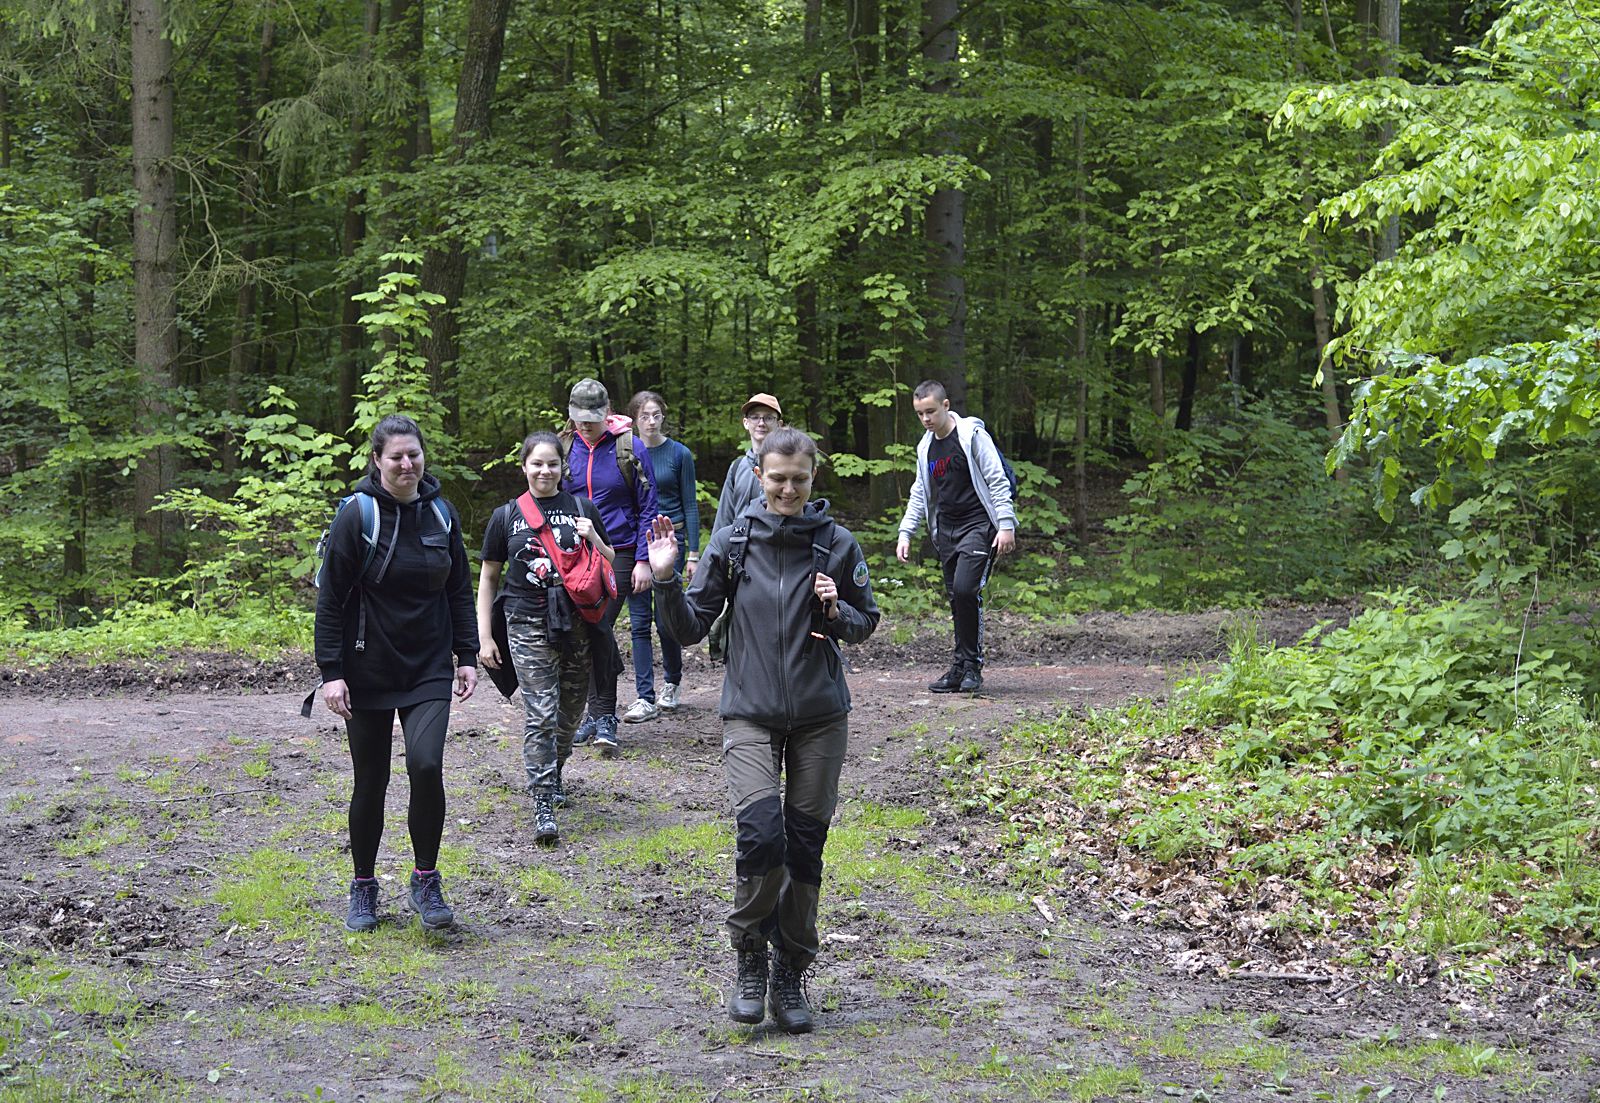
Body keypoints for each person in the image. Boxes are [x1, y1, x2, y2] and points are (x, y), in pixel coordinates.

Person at [647, 427, 880, 1034]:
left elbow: (866, 623)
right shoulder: (733, 541)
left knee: (805, 846)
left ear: (812, 478)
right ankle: (750, 952)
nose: (788, 488)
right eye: (777, 478)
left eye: (798, 479)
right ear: (758, 474)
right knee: (761, 835)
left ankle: (791, 970)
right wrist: (668, 578)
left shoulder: (837, 544)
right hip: (749, 710)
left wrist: (837, 607)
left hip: (820, 716)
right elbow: (691, 627)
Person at [312, 414, 478, 935]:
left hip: (428, 664)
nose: (407, 465)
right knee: (372, 781)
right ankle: (363, 885)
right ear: (377, 461)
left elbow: (458, 589)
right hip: (367, 667)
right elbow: (331, 599)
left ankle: (426, 879)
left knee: (426, 766)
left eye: (414, 455)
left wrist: (467, 654)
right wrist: (331, 672)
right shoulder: (356, 517)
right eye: (396, 457)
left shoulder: (442, 515)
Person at [476, 431, 614, 844]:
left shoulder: (582, 508)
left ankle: (554, 772)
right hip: (525, 622)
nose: (545, 470)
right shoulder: (506, 516)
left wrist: (594, 538)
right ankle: (542, 800)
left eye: (552, 463)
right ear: (524, 467)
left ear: (562, 467)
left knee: (571, 713)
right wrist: (484, 637)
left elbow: (611, 566)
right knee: (541, 710)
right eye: (536, 463)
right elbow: (488, 578)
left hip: (578, 624)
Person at [895, 380, 1017, 694]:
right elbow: (920, 492)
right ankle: (959, 667)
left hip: (978, 525)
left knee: (965, 590)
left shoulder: (971, 437)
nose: (925, 419)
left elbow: (996, 479)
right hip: (946, 530)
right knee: (955, 598)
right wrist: (906, 532)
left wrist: (1006, 525)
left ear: (946, 406)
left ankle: (972, 667)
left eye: (931, 411)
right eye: (920, 413)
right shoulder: (925, 448)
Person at [561, 379, 658, 756]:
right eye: (579, 417)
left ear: (607, 411)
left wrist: (645, 560)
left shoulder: (628, 448)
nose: (586, 424)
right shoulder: (563, 448)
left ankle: (605, 716)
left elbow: (649, 504)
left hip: (619, 552)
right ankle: (593, 714)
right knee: (583, 629)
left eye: (593, 417)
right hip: (571, 555)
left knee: (599, 624)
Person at [620, 391, 699, 722]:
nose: (651, 422)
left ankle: (672, 682)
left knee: (667, 619)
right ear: (634, 420)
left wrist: (694, 552)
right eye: (644, 416)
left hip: (672, 542)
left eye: (656, 415)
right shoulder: (625, 455)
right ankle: (643, 695)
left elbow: (691, 503)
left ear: (663, 417)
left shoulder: (679, 454)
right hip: (639, 544)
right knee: (639, 621)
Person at [710, 392, 782, 534]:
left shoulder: (787, 467)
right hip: (738, 550)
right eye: (755, 417)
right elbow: (724, 517)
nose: (761, 423)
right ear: (746, 423)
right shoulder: (737, 467)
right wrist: (715, 553)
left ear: (779, 424)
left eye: (768, 418)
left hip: (774, 549)